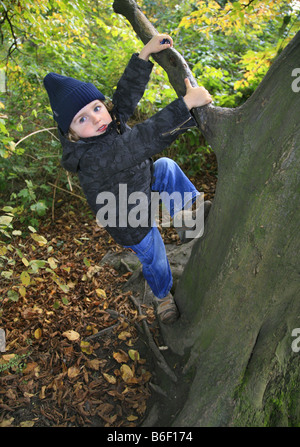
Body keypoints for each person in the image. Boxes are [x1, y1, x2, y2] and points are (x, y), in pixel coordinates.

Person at [44, 34, 212, 325]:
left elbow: (124, 97)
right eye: (82, 119)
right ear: (71, 134)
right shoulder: (91, 157)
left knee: (166, 167)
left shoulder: (107, 121)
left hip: (141, 183)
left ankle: (188, 220)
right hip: (130, 220)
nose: (96, 118)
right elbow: (141, 140)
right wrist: (185, 105)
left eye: (96, 108)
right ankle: (162, 297)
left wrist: (144, 55)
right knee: (156, 256)